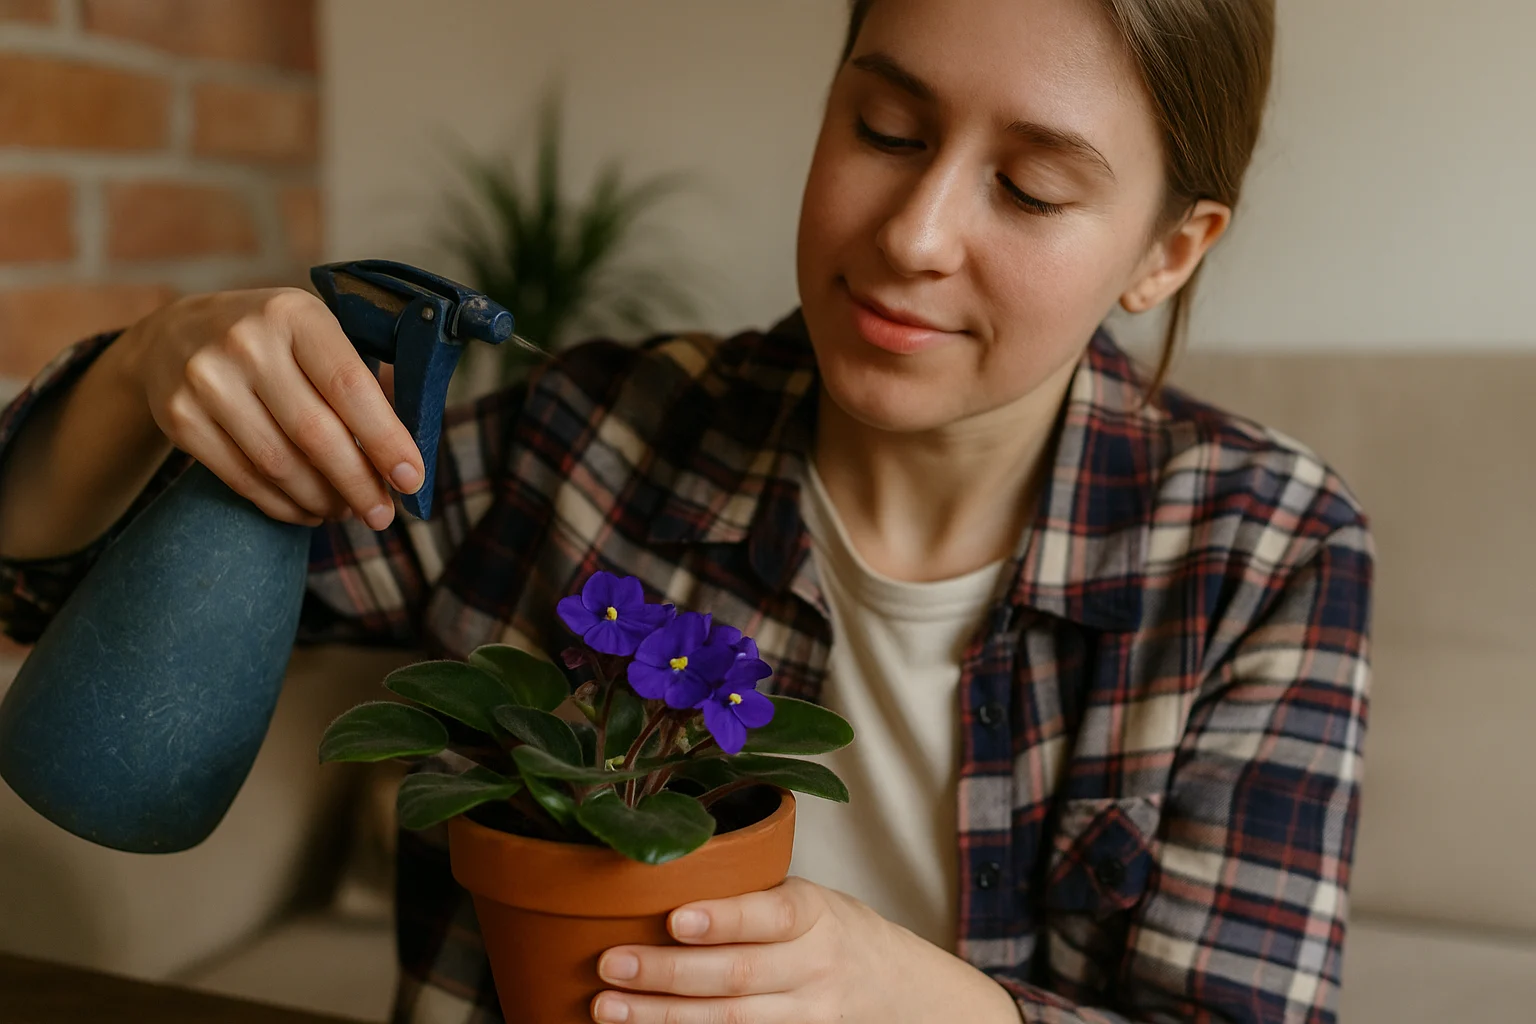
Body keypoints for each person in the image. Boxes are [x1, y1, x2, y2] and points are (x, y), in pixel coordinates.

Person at [0, 0, 1373, 1021]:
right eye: (884, 128)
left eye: (1032, 188)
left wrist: (925, 1002)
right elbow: (46, 612)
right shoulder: (585, 438)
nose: (913, 232)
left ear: (1167, 249)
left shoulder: (1266, 553)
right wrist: (145, 371)